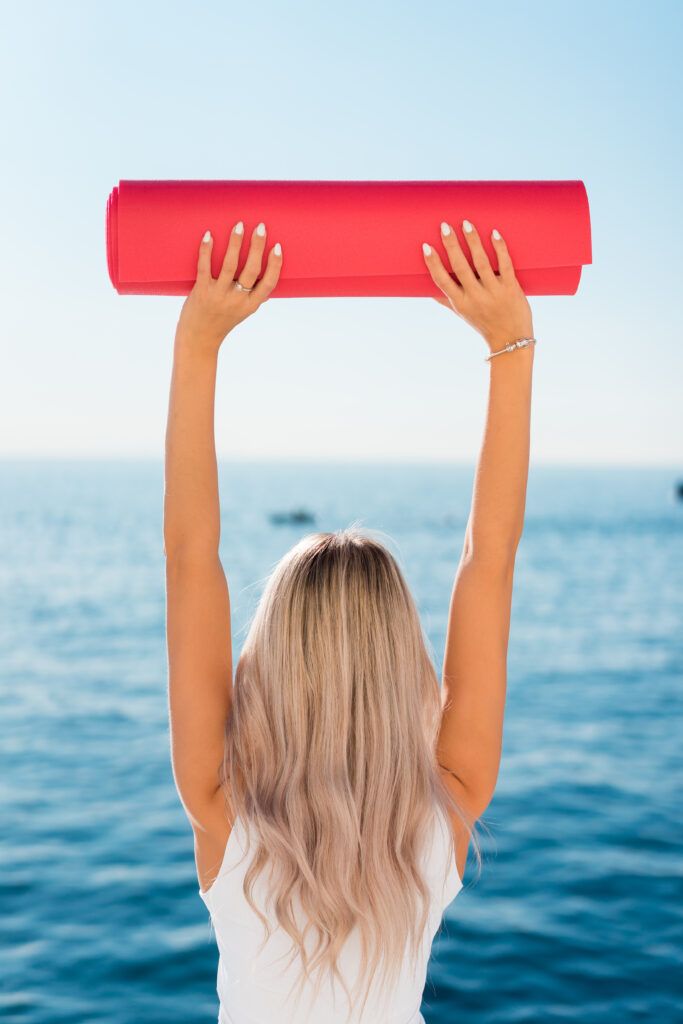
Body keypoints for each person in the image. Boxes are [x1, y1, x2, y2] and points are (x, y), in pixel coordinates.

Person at [163, 216, 535, 1023]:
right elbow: (488, 560)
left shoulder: (222, 809)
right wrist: (510, 347)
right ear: (407, 666)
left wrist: (199, 342)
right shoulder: (447, 808)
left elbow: (193, 557)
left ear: (270, 660)